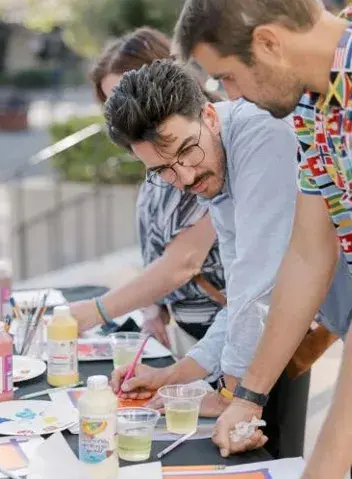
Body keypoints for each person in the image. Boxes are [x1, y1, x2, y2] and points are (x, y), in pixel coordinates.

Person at [173, 1, 352, 478]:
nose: (232, 98)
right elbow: (307, 253)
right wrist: (247, 397)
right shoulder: (313, 106)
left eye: (227, 77)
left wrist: (326, 466)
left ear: (269, 43)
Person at [104, 58, 316, 459]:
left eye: (187, 150)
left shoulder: (260, 134)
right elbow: (240, 296)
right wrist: (176, 374)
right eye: (163, 170)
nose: (184, 178)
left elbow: (261, 285)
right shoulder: (214, 166)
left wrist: (232, 395)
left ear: (208, 115)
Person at [70, 27, 225, 352]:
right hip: (197, 339)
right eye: (113, 101)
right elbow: (161, 250)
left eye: (133, 90)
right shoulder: (158, 159)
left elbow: (183, 260)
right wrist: (153, 306)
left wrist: (95, 311)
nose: (129, 111)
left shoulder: (213, 153)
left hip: (244, 338)